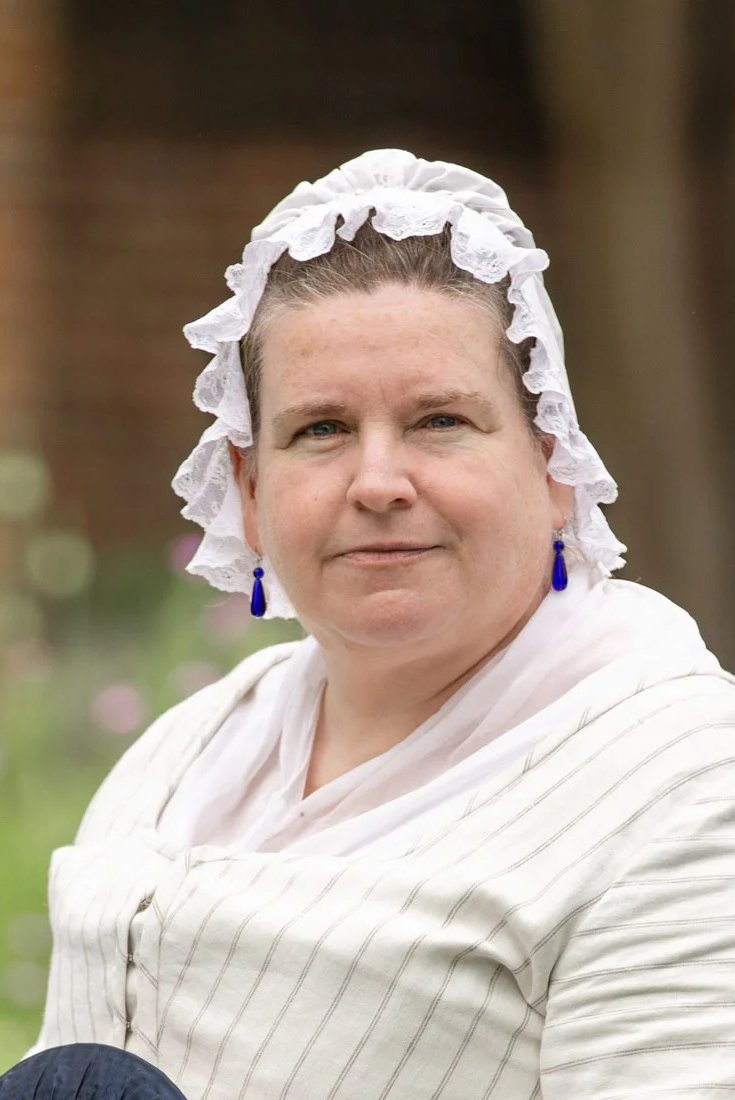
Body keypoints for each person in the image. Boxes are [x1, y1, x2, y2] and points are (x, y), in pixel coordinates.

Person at [7, 149, 735, 1099]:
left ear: (554, 463)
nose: (379, 483)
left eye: (438, 421)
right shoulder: (179, 757)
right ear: (251, 493)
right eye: (321, 430)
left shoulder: (682, 785)